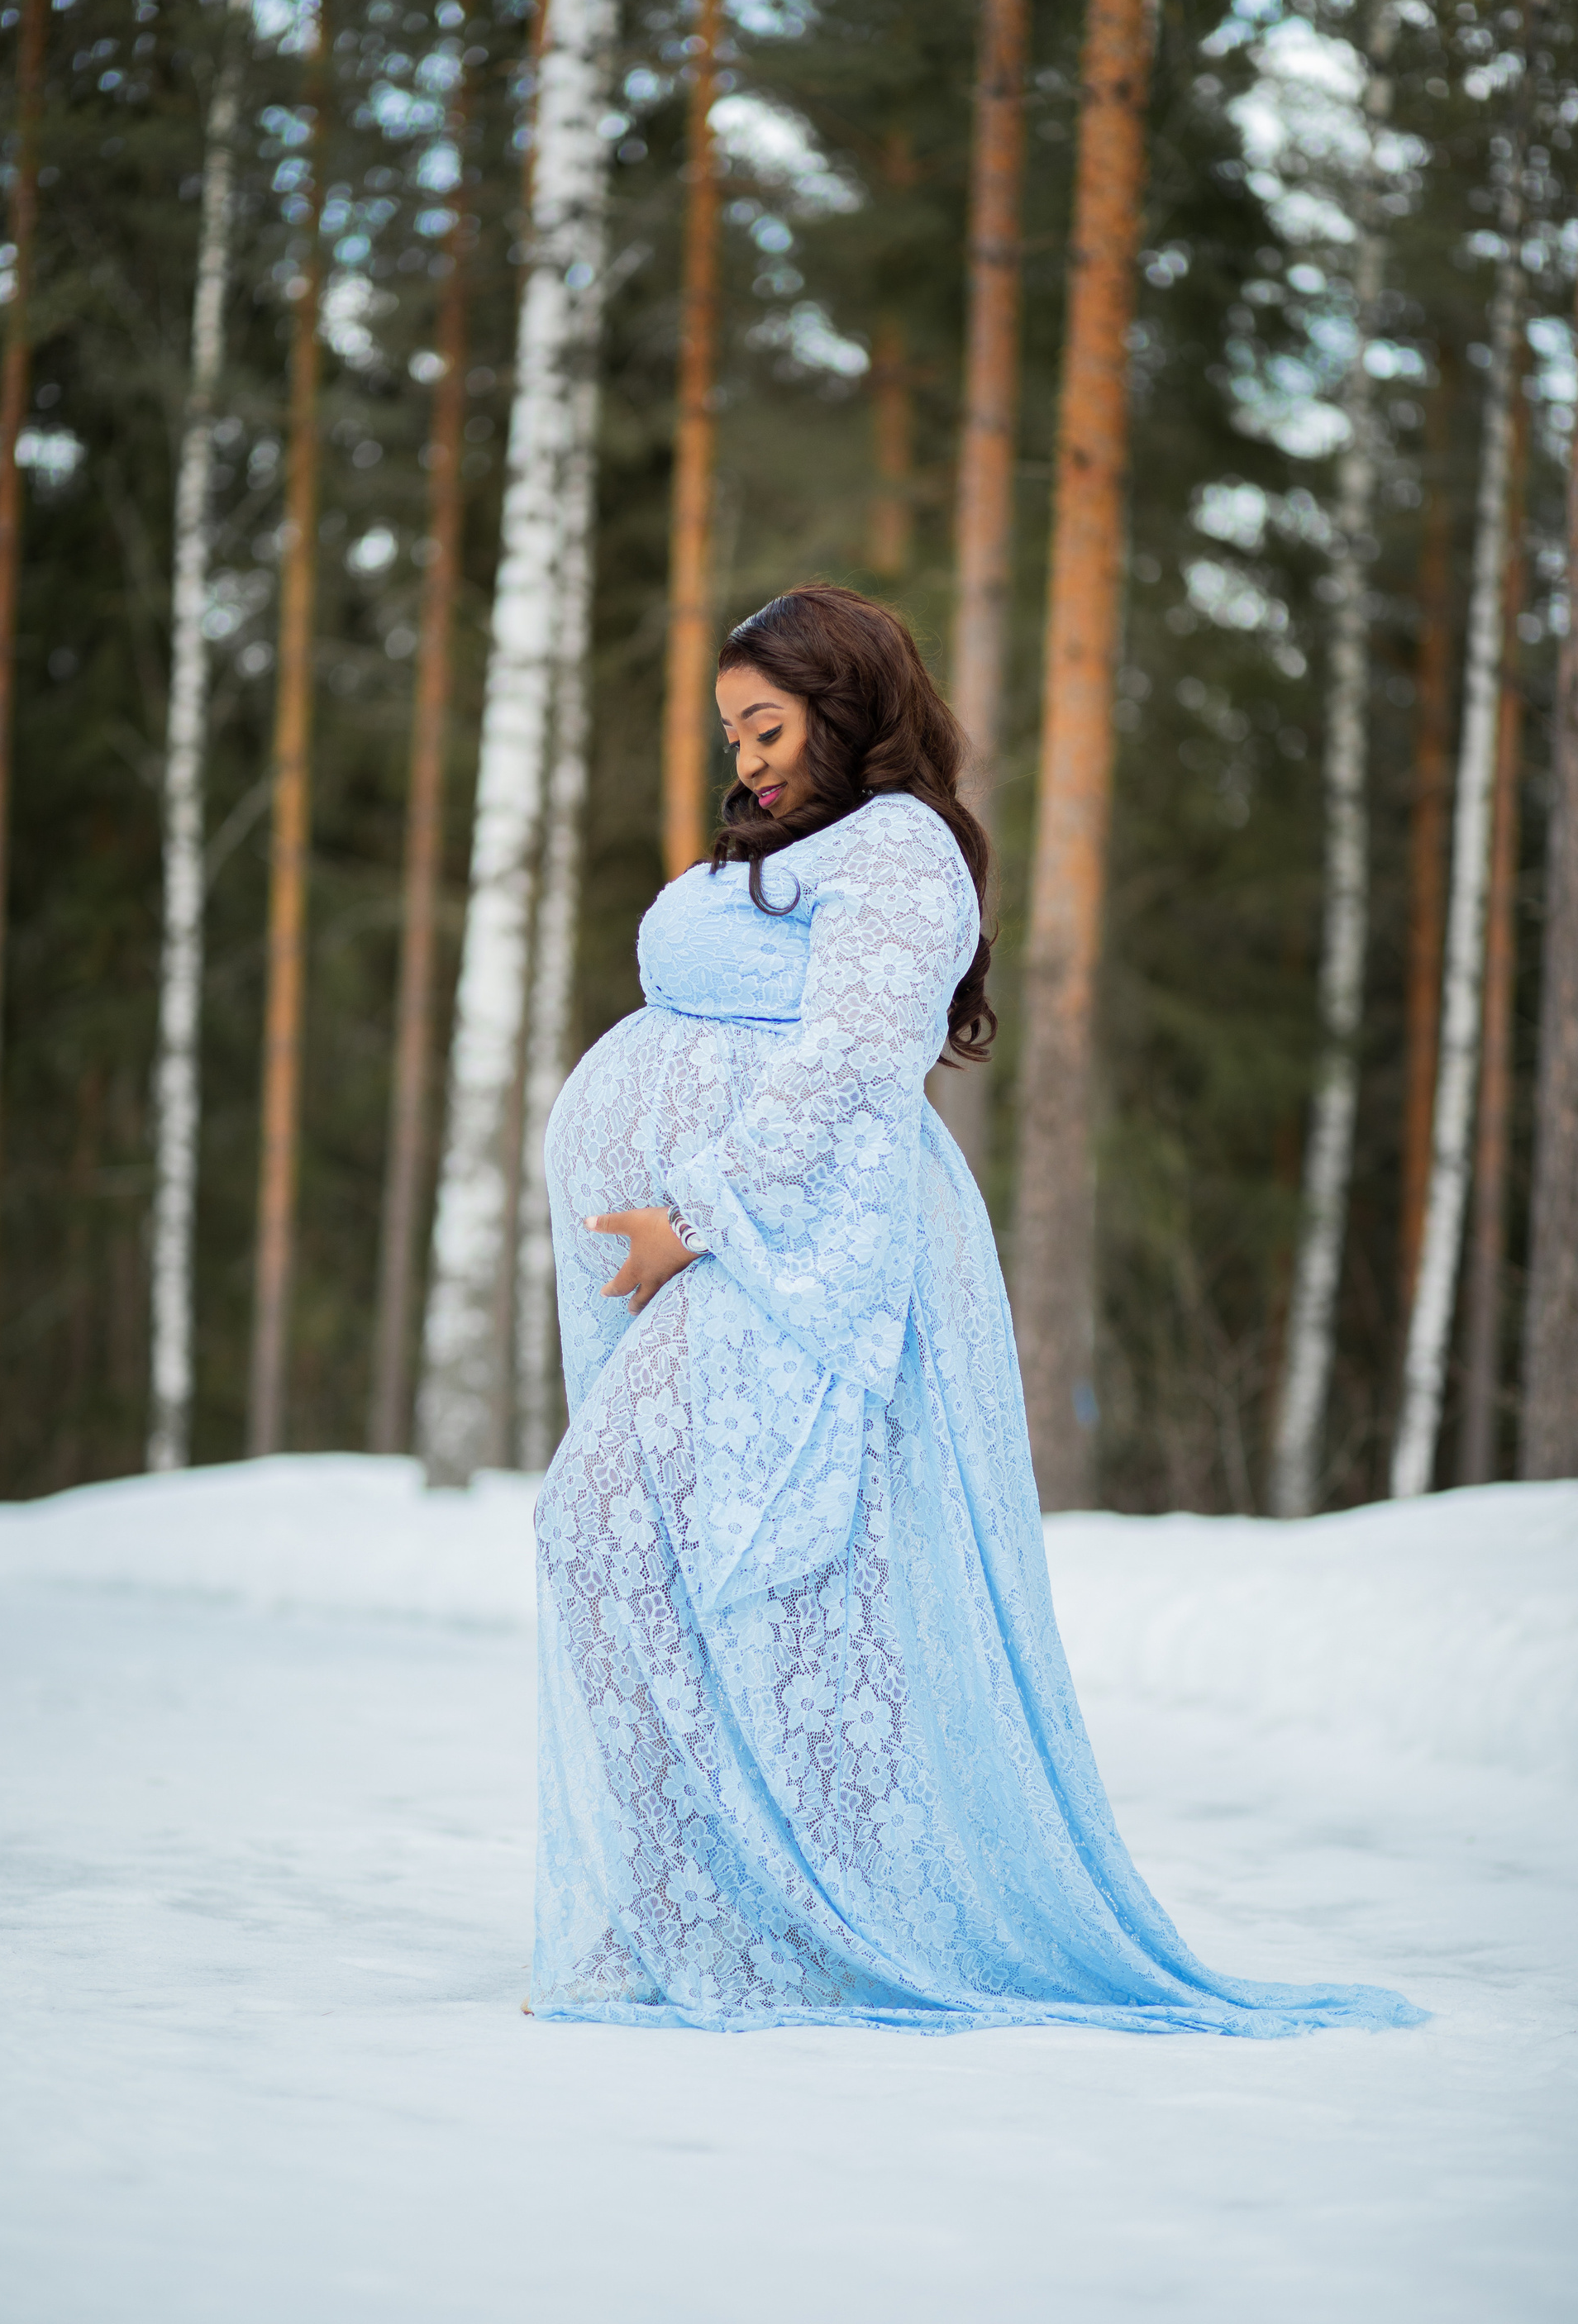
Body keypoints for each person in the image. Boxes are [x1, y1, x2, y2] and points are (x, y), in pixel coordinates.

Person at [530, 583, 1422, 2036]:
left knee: (636, 1533)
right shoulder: (795, 848)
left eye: (768, 726)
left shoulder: (902, 848)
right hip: (737, 1247)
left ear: (845, 705)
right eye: (732, 732)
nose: (746, 759)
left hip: (801, 1256)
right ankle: (688, 1912)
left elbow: (853, 1064)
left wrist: (689, 1222)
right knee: (666, 1559)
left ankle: (776, 1920)